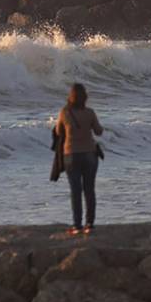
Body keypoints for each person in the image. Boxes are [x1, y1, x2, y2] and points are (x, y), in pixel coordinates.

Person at [54, 82, 104, 236]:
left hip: (71, 155)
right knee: (89, 190)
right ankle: (90, 224)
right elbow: (99, 131)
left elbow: (58, 131)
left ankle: (77, 225)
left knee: (75, 191)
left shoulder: (65, 112)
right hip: (89, 154)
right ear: (85, 98)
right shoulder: (90, 113)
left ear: (71, 97)